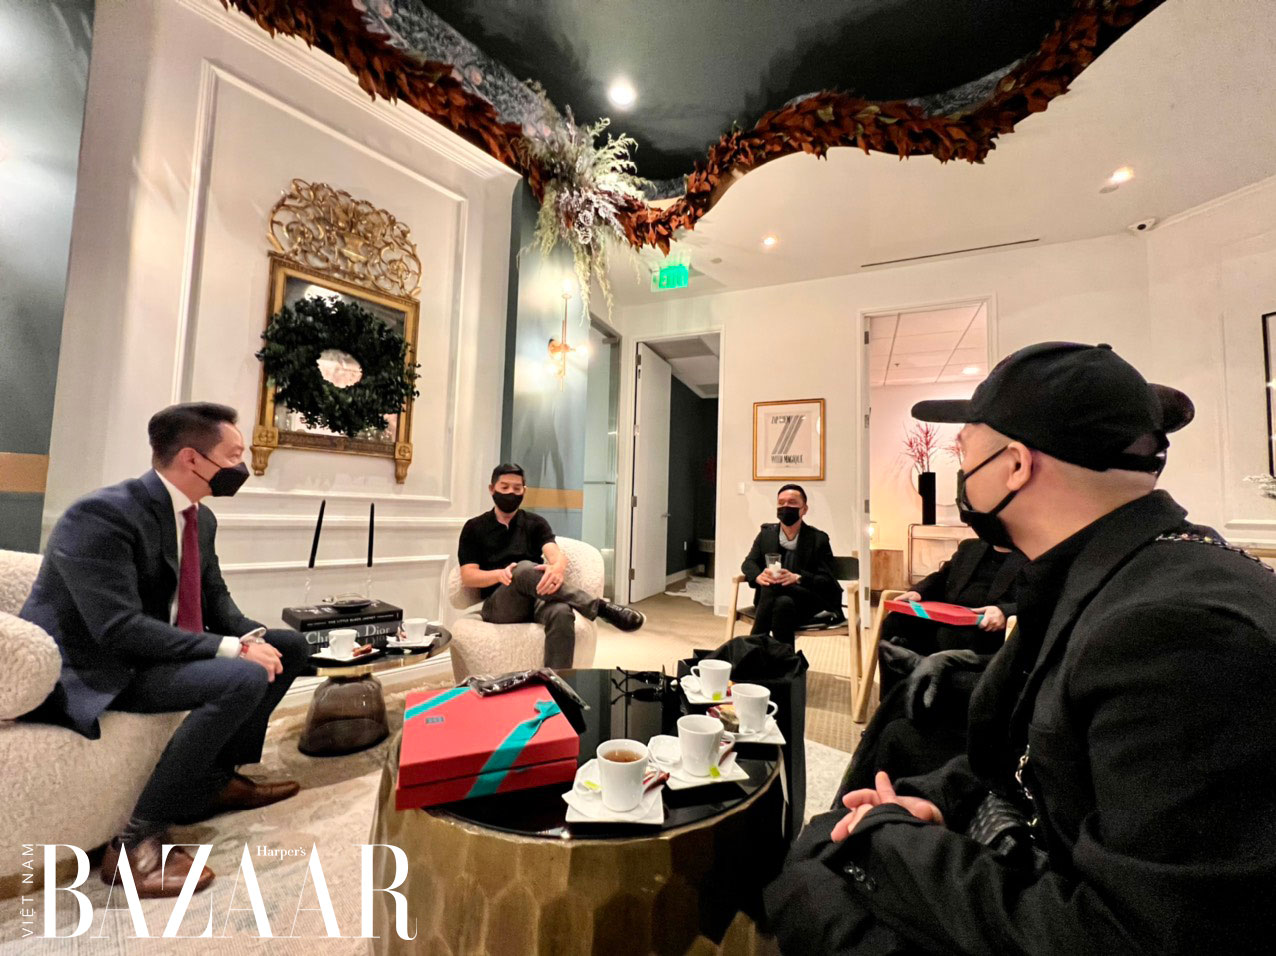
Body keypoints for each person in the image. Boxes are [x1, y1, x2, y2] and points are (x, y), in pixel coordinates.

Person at [766, 342, 1276, 955]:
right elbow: (1031, 755)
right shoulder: (1105, 571)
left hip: (1071, 914)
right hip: (1036, 848)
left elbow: (1136, 932)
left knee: (811, 882)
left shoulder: (1180, 634)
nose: (961, 474)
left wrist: (900, 846)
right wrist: (933, 804)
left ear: (1014, 466)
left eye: (964, 454)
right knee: (832, 834)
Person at [20, 403, 309, 898]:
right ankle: (134, 842)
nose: (241, 467)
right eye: (233, 456)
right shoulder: (102, 515)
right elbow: (118, 630)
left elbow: (216, 599)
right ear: (193, 459)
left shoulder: (201, 518)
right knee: (241, 674)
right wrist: (232, 650)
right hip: (102, 667)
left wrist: (252, 638)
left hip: (158, 654)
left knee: (288, 646)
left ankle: (213, 781)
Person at [457, 463, 644, 667]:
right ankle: (599, 607)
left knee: (562, 611)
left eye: (517, 488)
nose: (511, 493)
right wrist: (500, 574)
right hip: (499, 605)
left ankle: (556, 681)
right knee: (523, 568)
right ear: (492, 489)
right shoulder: (474, 527)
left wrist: (557, 569)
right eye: (505, 487)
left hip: (536, 599)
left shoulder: (535, 523)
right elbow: (468, 576)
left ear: (524, 491)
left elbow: (556, 556)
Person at [878, 537, 1025, 697]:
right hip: (951, 617)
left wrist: (1005, 611)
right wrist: (918, 592)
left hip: (989, 629)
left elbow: (1041, 599)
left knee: (954, 636)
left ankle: (923, 677)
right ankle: (893, 700)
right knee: (894, 622)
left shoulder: (1033, 554)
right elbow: (941, 577)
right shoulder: (970, 547)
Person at [740, 484, 844, 645]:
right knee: (782, 603)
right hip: (777, 603)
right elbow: (749, 563)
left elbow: (826, 580)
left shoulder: (818, 539)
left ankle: (754, 643)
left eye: (792, 502)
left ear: (804, 509)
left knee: (773, 588)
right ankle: (785, 659)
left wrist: (798, 578)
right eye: (781, 503)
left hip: (807, 602)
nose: (785, 506)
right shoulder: (766, 535)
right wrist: (759, 576)